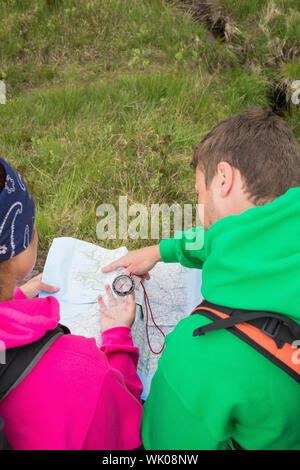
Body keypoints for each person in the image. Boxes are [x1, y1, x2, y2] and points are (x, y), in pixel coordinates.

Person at [102, 107, 300, 450]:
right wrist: (163, 250)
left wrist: (117, 341)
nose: (200, 208)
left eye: (198, 192)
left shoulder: (198, 351)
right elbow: (231, 237)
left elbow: (162, 447)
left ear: (223, 179)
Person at [0, 157, 143, 450]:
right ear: (16, 252)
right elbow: (126, 423)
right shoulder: (82, 371)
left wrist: (12, 299)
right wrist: (117, 339)